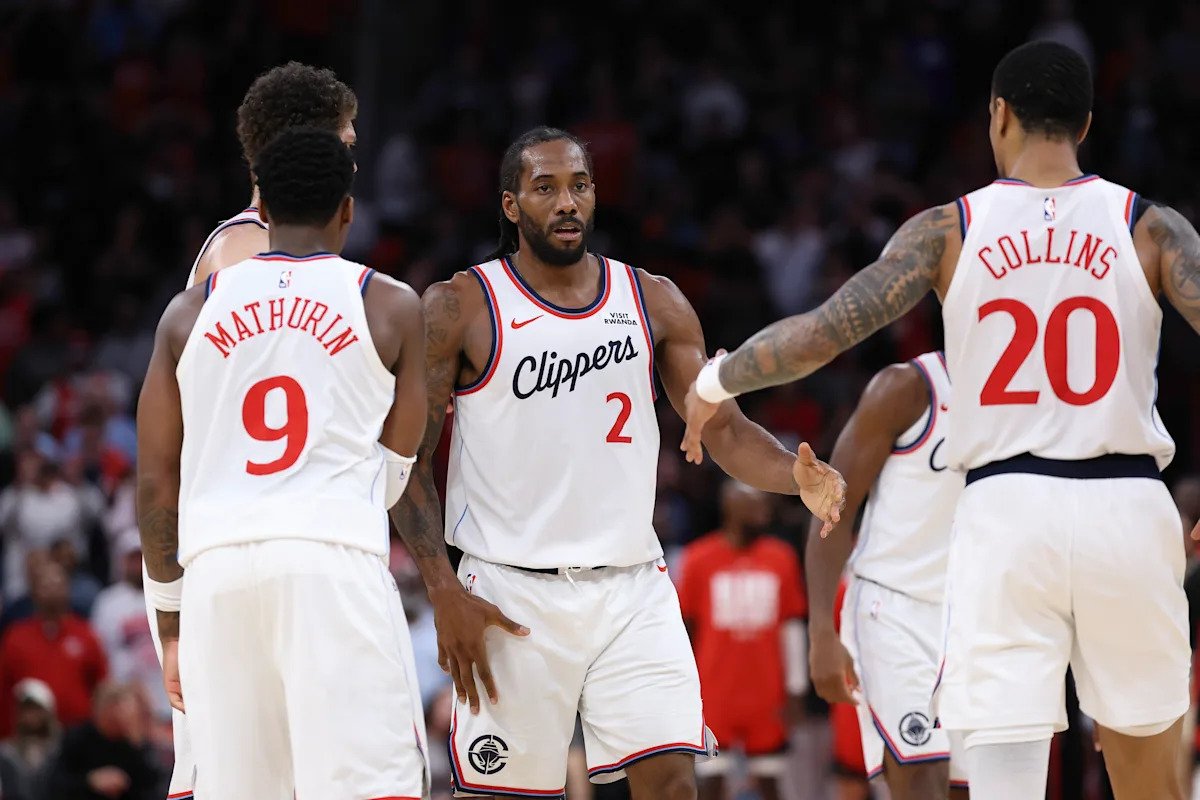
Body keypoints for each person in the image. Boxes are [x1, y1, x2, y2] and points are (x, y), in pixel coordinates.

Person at [682, 40, 1198, 800]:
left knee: (1002, 782)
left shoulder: (948, 229)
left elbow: (821, 334)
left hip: (1007, 512)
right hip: (1127, 503)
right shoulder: (1152, 228)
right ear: (1086, 124)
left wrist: (712, 380)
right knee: (1151, 779)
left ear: (998, 116)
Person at [392, 126, 845, 800]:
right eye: (545, 188)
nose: (566, 201)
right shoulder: (461, 305)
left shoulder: (651, 299)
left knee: (674, 785)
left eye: (579, 185)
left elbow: (721, 428)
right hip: (509, 593)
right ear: (511, 205)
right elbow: (406, 457)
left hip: (632, 588)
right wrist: (442, 588)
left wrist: (791, 475)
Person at [135, 127, 429, 798]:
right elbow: (395, 469)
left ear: (261, 209)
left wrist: (172, 624)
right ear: (348, 210)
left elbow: (155, 484)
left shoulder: (186, 313)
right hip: (332, 561)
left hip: (218, 576)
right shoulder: (389, 304)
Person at [143, 61, 359, 800]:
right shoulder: (246, 253)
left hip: (263, 538)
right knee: (234, 775)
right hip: (232, 540)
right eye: (345, 141)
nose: (354, 155)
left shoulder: (287, 254)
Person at [803, 351, 967, 800]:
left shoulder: (1029, 402)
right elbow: (832, 509)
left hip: (975, 613)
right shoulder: (907, 387)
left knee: (970, 788)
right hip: (893, 609)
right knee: (921, 782)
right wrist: (821, 630)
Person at [677, 481, 808, 800]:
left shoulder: (781, 557)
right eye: (754, 504)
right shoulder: (698, 558)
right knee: (710, 784)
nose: (764, 511)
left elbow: (792, 627)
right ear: (730, 508)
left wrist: (796, 688)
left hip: (766, 692)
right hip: (714, 692)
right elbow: (684, 630)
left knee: (770, 783)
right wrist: (681, 688)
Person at [0, 559, 108, 736]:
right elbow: (4, 690)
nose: (52, 590)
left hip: (77, 734)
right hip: (30, 735)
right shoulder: (16, 637)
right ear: (34, 591)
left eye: (57, 584)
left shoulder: (86, 634)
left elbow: (101, 686)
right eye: (45, 585)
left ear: (68, 588)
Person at [45, 682, 162, 800]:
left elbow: (153, 788)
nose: (119, 718)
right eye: (113, 710)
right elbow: (55, 784)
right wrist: (90, 781)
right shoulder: (76, 739)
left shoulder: (137, 745)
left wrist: (138, 746)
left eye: (124, 712)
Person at [0, 678, 59, 799]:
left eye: (36, 709)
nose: (31, 716)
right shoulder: (6, 753)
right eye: (26, 710)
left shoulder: (61, 749)